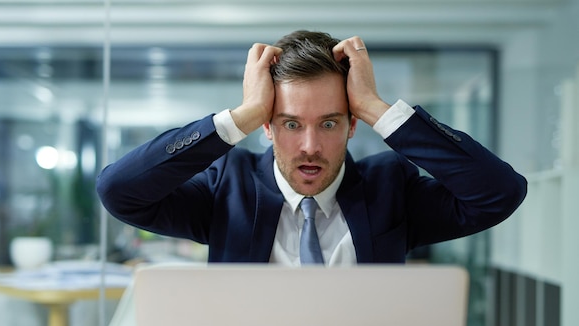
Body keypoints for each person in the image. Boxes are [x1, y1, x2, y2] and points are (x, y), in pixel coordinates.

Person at [96, 30, 527, 265]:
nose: (310, 146)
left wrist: (378, 108)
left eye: (328, 122)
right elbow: (119, 190)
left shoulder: (390, 186)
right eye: (289, 123)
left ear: (352, 123)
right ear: (267, 126)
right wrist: (241, 116)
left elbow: (499, 192)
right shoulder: (227, 189)